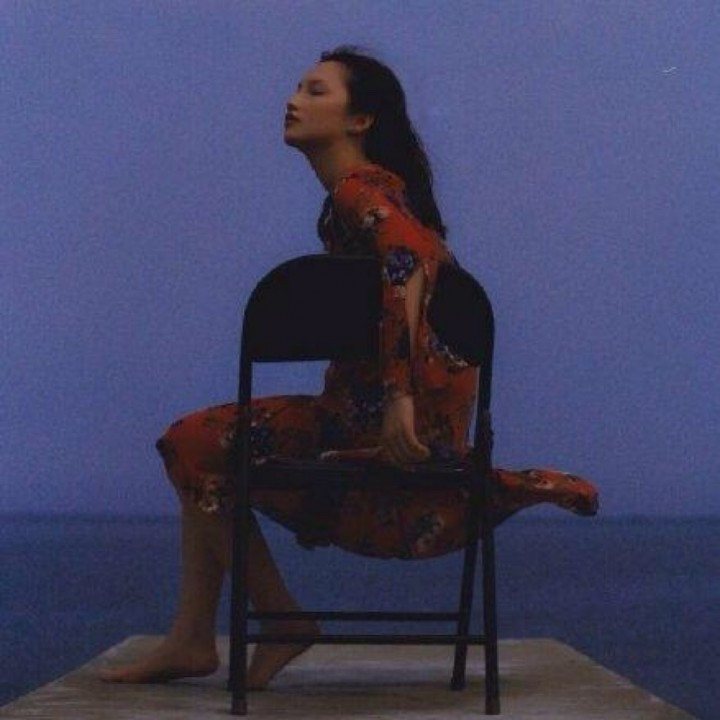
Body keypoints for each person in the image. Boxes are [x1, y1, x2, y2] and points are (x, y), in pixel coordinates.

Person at [99, 45, 598, 689]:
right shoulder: (374, 195)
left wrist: (398, 398)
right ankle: (194, 637)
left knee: (192, 442)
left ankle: (273, 620)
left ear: (360, 120)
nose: (292, 100)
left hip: (389, 434)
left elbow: (408, 258)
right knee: (202, 443)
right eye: (297, 88)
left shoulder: (361, 191)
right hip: (418, 435)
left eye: (315, 91)